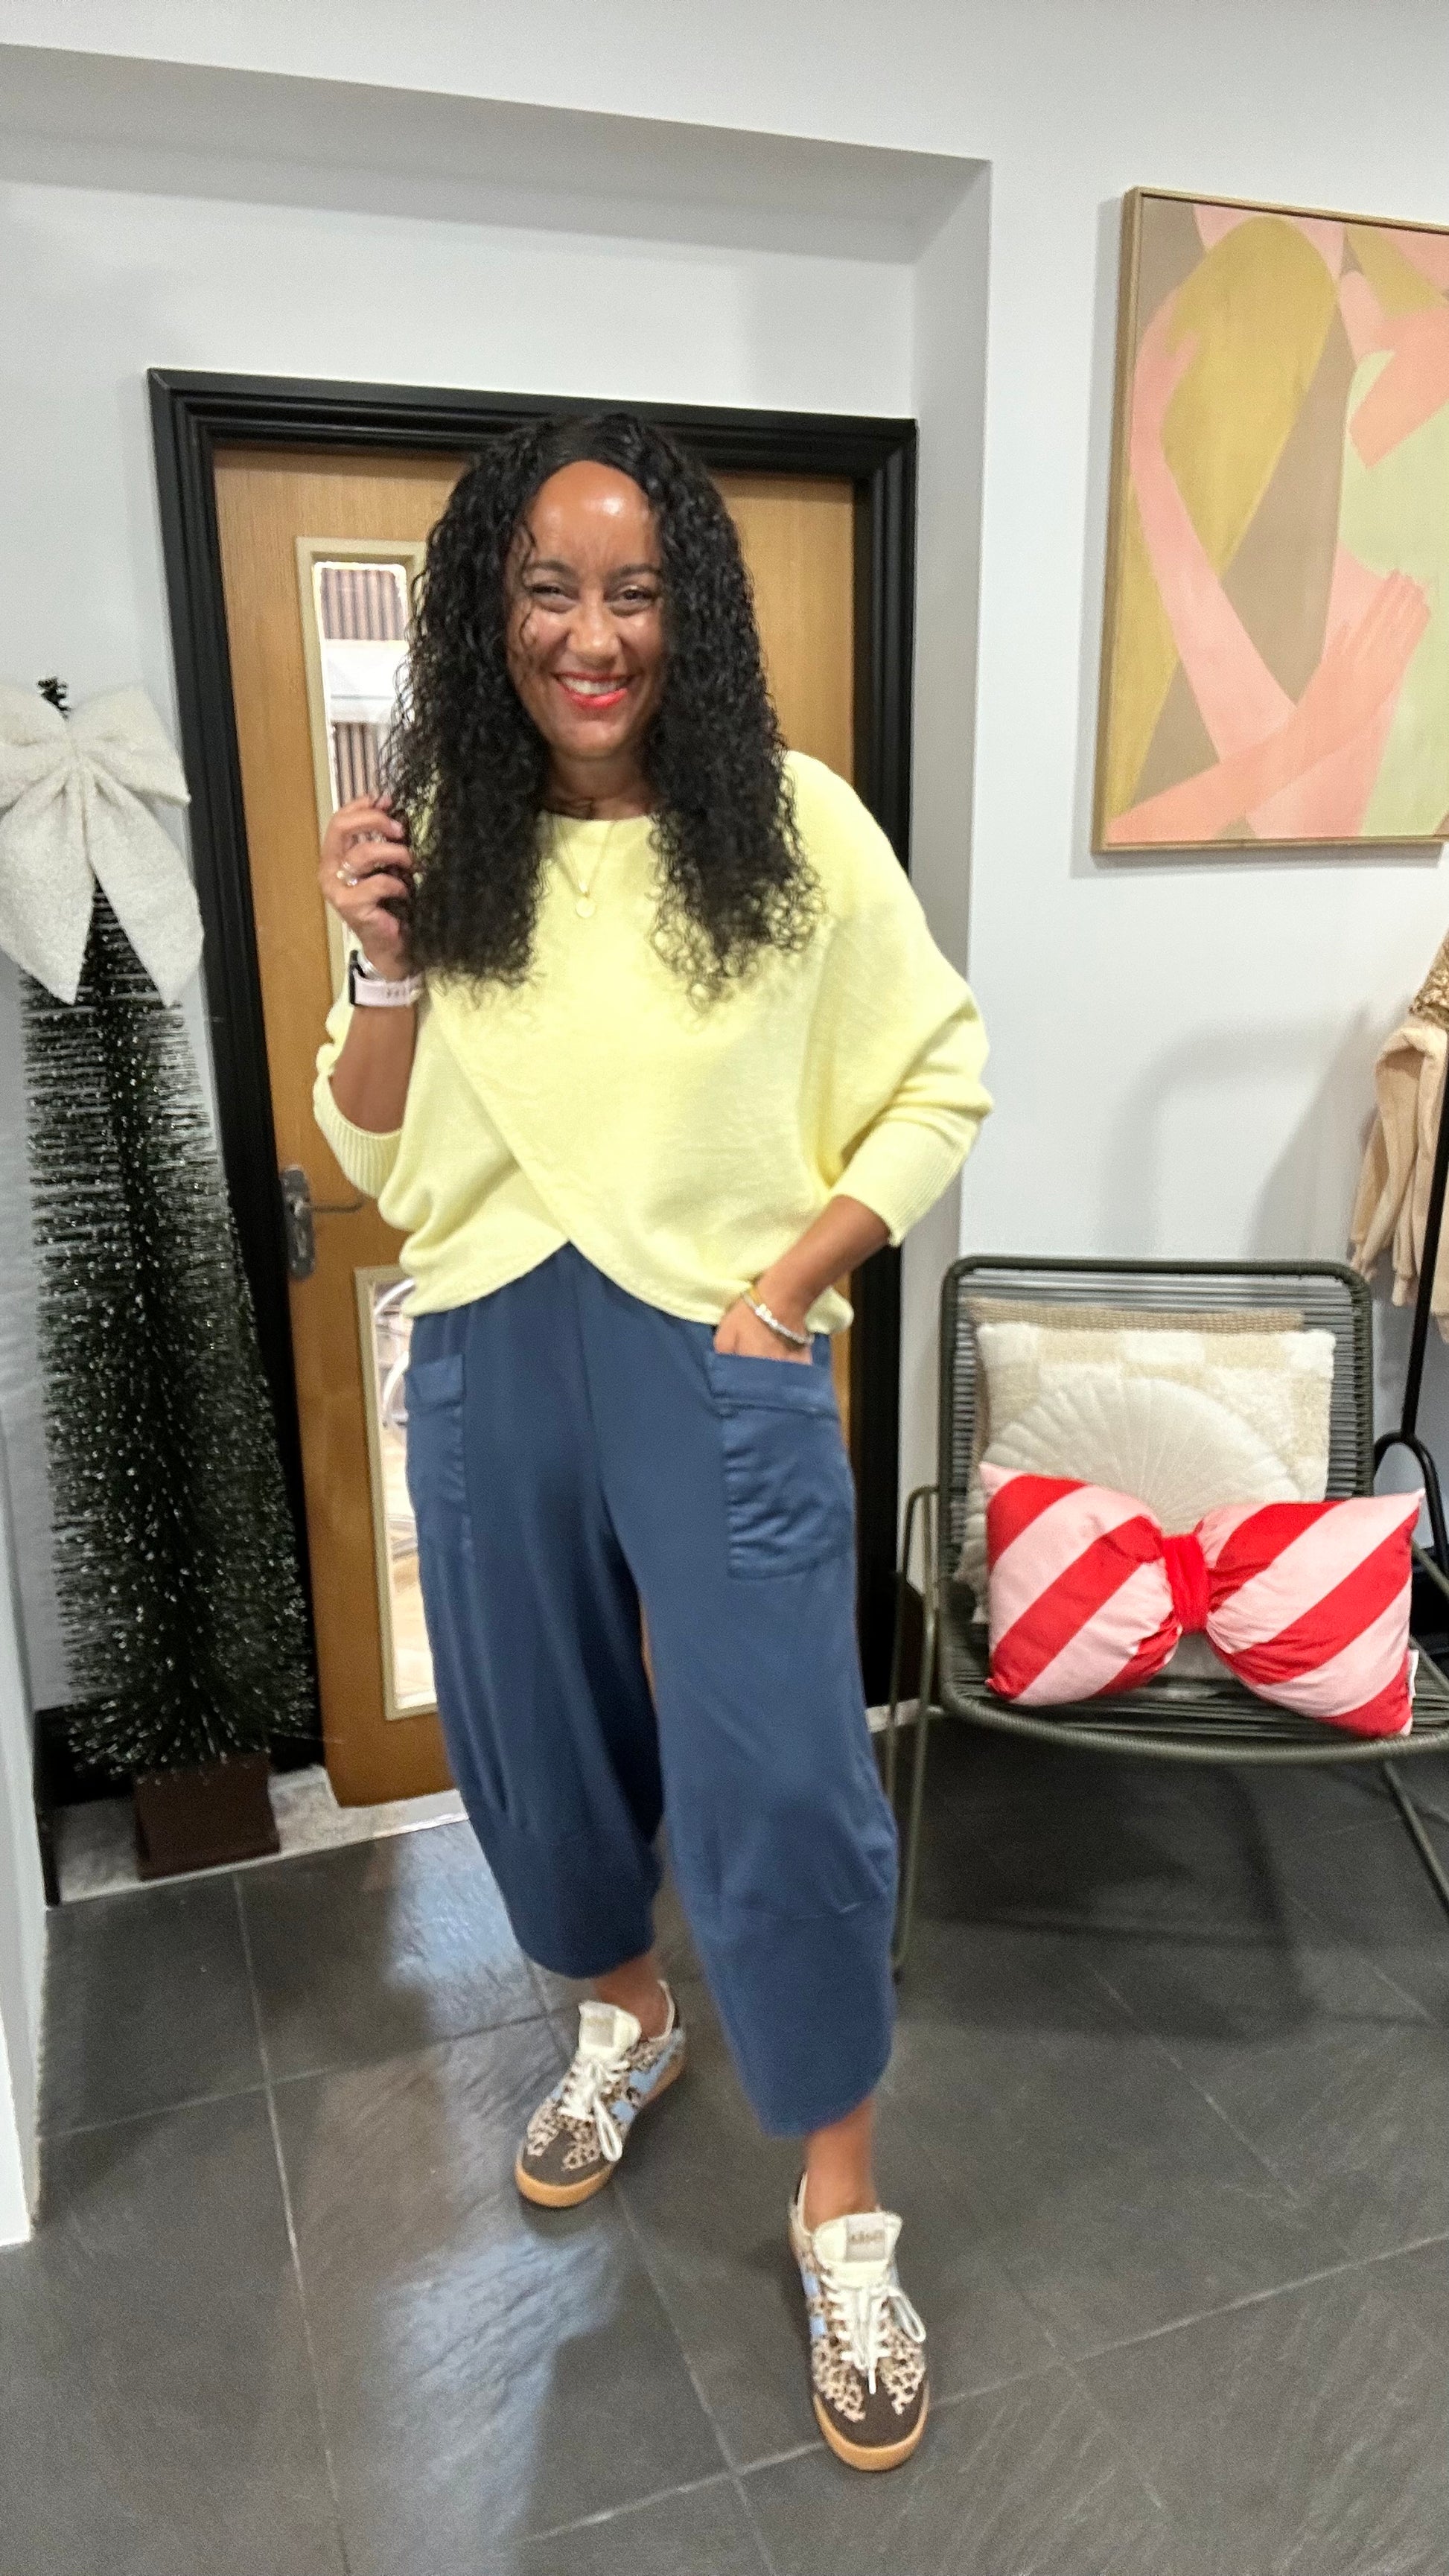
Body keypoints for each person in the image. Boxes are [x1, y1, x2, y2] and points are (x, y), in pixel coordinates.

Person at [313, 411, 990, 2473]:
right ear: (488, 611)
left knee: (783, 1775)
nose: (590, 635)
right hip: (491, 1336)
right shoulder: (450, 830)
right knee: (532, 1734)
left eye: (633, 591)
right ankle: (628, 2017)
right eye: (547, 589)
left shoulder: (792, 828)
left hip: (717, 1339)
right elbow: (371, 1148)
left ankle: (840, 2210)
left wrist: (784, 1291)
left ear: (689, 612)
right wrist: (384, 965)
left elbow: (938, 1076)